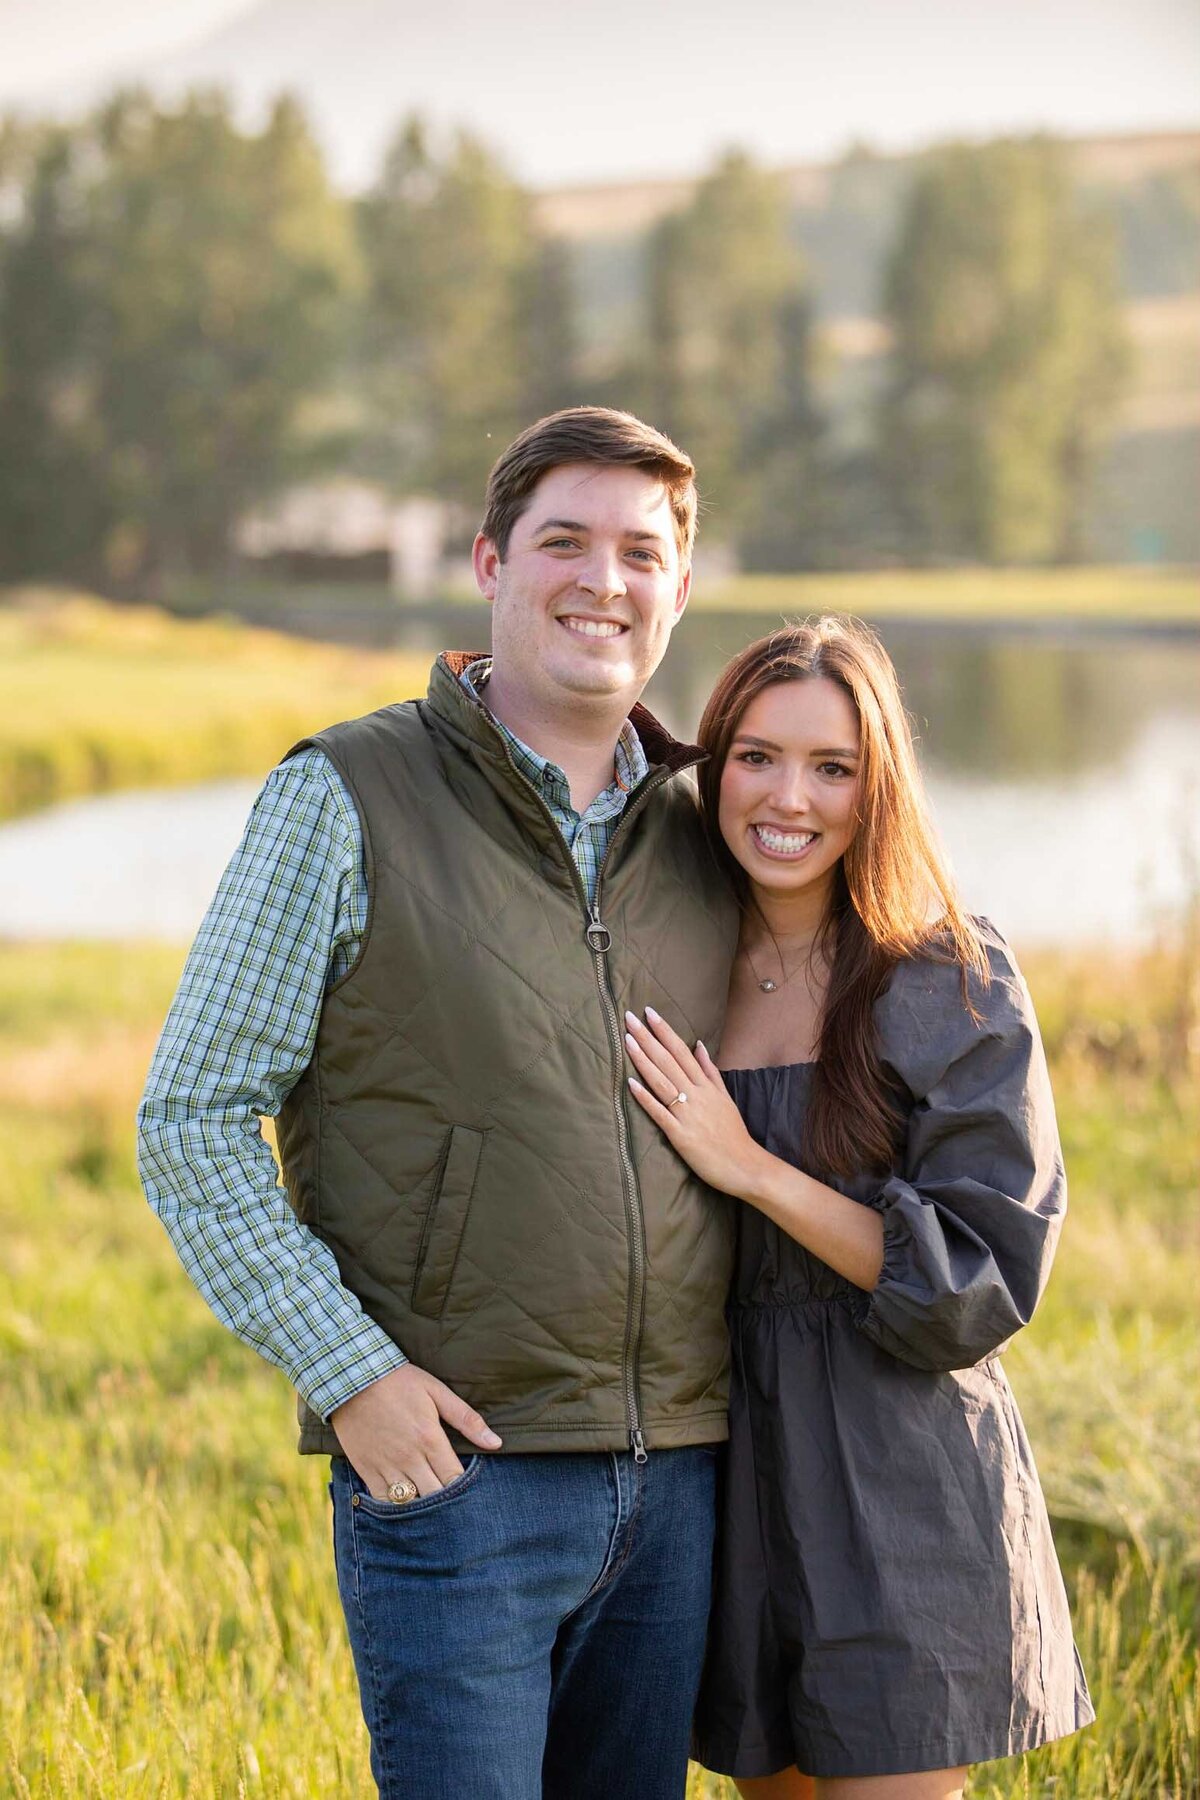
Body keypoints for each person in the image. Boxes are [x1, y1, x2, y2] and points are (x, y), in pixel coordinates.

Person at [137, 407, 742, 1800]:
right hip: (462, 1480)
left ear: (682, 589)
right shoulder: (345, 794)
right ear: (487, 562)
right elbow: (192, 1116)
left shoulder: (711, 826)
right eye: (564, 542)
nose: (605, 580)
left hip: (688, 1483)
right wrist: (351, 1376)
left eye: (642, 552)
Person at [623, 617, 1094, 1800]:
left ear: (876, 787)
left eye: (833, 767)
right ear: (713, 764)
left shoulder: (946, 973)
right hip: (721, 1468)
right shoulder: (668, 961)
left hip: (899, 1470)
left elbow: (981, 1275)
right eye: (758, 757)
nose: (791, 798)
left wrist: (758, 1171)